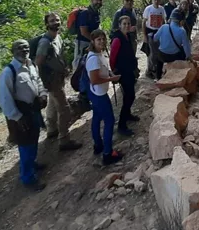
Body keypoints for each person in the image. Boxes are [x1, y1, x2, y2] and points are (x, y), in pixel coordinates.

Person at [0, 40, 48, 191]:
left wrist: (43, 94)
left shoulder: (31, 65)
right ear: (13, 51)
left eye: (25, 47)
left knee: (34, 138)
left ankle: (32, 164)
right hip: (21, 114)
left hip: (34, 109)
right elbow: (4, 99)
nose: (23, 50)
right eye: (19, 48)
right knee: (26, 145)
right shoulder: (9, 72)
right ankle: (28, 178)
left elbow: (38, 81)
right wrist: (17, 117)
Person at [35, 13, 82, 152]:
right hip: (52, 79)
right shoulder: (45, 42)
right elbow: (38, 62)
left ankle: (51, 129)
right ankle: (64, 139)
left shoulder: (57, 37)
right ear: (46, 24)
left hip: (58, 78)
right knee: (64, 109)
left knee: (52, 102)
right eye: (52, 21)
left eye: (57, 20)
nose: (55, 22)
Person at [85, 30, 124, 165]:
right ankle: (107, 153)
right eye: (98, 40)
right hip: (99, 94)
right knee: (109, 121)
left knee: (97, 117)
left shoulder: (98, 54)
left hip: (97, 93)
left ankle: (98, 145)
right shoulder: (94, 59)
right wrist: (111, 78)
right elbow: (94, 80)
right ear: (93, 41)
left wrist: (109, 74)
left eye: (103, 39)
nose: (101, 42)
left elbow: (104, 70)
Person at [110, 16, 139, 136]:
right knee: (129, 96)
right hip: (122, 72)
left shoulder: (126, 36)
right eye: (124, 24)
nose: (127, 25)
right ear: (119, 25)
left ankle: (127, 114)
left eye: (128, 23)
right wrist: (114, 72)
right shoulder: (117, 39)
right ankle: (122, 124)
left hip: (128, 70)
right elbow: (112, 57)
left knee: (129, 95)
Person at [153, 9, 192, 79]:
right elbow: (186, 46)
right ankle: (179, 75)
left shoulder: (163, 27)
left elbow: (155, 38)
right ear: (181, 21)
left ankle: (158, 77)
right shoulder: (182, 31)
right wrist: (188, 57)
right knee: (182, 52)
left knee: (159, 61)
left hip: (162, 55)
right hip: (174, 56)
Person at [73, 0, 103, 70]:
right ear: (92, 0)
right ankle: (77, 80)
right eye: (96, 0)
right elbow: (83, 32)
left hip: (91, 42)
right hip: (82, 43)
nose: (98, 2)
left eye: (100, 0)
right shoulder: (85, 13)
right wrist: (95, 41)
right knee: (80, 64)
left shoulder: (96, 13)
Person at [142, 0, 166, 79]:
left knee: (159, 51)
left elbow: (163, 21)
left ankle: (156, 68)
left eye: (157, 0)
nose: (156, 1)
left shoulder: (162, 9)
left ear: (160, 1)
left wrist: (164, 32)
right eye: (154, 0)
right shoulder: (148, 9)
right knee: (151, 52)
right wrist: (144, 35)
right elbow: (144, 22)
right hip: (150, 32)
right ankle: (150, 70)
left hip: (159, 32)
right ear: (152, 0)